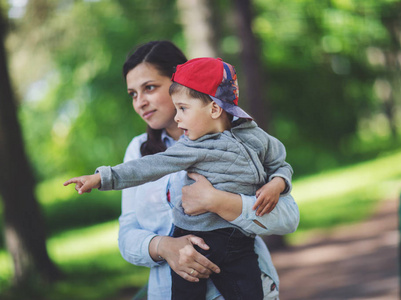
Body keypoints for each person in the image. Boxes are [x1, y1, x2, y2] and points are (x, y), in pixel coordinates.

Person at [65, 40, 299, 300]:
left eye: (150, 88)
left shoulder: (245, 139)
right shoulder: (138, 151)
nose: (140, 102)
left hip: (241, 275)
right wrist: (165, 246)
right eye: (133, 94)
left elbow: (288, 217)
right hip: (169, 290)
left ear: (183, 85)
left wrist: (219, 201)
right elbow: (127, 235)